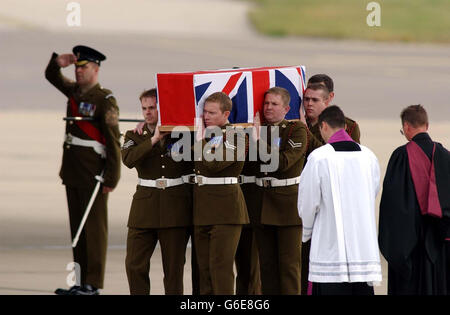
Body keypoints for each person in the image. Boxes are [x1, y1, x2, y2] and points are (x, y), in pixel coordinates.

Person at [46, 45, 121, 295]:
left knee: (94, 231)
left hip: (94, 174)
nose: (79, 72)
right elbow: (51, 76)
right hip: (73, 172)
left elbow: (113, 141)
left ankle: (93, 284)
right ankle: (79, 281)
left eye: (84, 67)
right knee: (77, 230)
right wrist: (59, 63)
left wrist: (112, 176)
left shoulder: (105, 100)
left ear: (96, 69)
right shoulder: (74, 92)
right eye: (77, 68)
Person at [298, 105, 382, 295]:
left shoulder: (319, 157)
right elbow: (373, 192)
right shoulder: (369, 156)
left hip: (330, 249)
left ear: (324, 126)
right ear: (344, 126)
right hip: (363, 248)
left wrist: (307, 231)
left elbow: (308, 202)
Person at [121, 88, 193, 295]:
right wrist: (153, 139)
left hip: (175, 208)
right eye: (144, 108)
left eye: (152, 107)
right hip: (144, 208)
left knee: (173, 270)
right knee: (134, 264)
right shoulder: (134, 135)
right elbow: (128, 160)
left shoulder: (183, 133)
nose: (148, 112)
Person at [379, 104, 450, 295]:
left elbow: (392, 206)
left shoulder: (400, 156)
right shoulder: (446, 157)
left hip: (410, 247)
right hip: (440, 246)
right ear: (426, 125)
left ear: (407, 127)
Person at [300, 75, 361, 294]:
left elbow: (338, 156)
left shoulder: (348, 126)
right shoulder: (297, 123)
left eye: (315, 100)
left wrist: (304, 132)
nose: (308, 104)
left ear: (328, 99)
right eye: (306, 99)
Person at [250, 87, 308, 295]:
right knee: (267, 267)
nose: (268, 108)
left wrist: (258, 140)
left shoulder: (296, 130)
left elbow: (282, 163)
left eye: (274, 104)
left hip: (287, 206)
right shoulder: (257, 129)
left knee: (289, 267)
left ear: (286, 108)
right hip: (262, 204)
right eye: (266, 103)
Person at [192, 92, 249, 294]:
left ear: (226, 114)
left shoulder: (237, 136)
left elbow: (216, 163)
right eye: (204, 111)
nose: (206, 116)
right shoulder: (203, 134)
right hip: (202, 208)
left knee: (220, 268)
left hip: (226, 210)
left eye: (211, 112)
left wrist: (199, 141)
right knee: (204, 270)